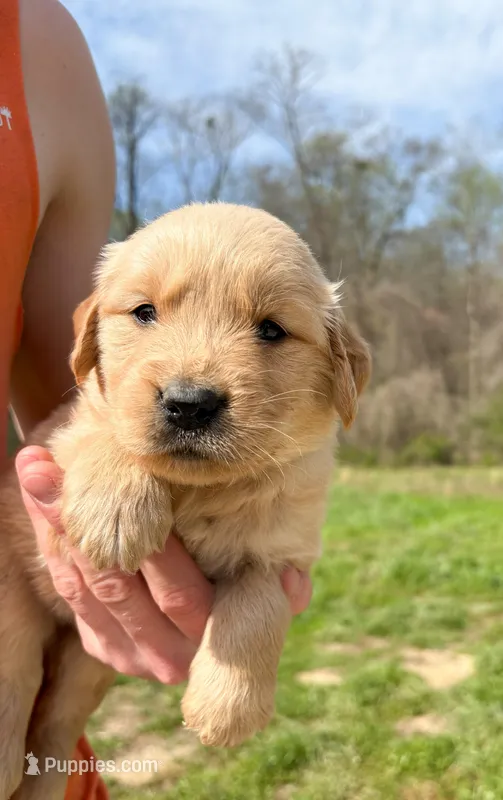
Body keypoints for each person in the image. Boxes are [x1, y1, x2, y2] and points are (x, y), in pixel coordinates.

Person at [1, 1, 313, 798]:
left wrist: (249, 632)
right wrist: (109, 459)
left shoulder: (37, 47)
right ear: (97, 331)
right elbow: (82, 411)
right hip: (11, 608)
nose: (192, 383)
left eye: (270, 330)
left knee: (54, 728)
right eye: (146, 313)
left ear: (343, 372)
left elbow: (56, 404)